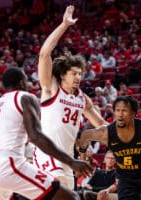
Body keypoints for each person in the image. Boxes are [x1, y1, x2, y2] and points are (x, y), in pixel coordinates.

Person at [0, 68, 93, 200]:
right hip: (7, 164)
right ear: (22, 83)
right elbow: (35, 136)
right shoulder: (25, 97)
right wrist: (71, 162)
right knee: (69, 197)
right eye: (27, 82)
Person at [35, 5, 107, 189]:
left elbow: (101, 125)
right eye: (74, 73)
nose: (78, 77)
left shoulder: (82, 99)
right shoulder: (51, 89)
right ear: (63, 75)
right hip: (48, 156)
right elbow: (44, 54)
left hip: (67, 159)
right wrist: (64, 25)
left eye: (80, 73)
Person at [78, 96, 141, 200]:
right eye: (117, 110)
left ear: (133, 113)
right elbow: (85, 136)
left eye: (124, 110)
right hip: (125, 178)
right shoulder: (106, 132)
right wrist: (82, 158)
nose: (120, 114)